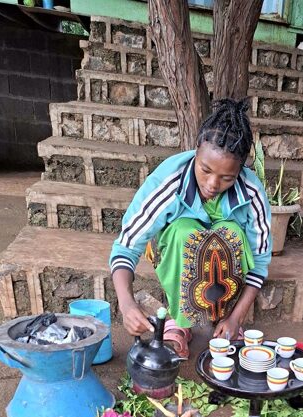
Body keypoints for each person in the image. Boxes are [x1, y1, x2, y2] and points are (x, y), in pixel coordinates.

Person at [109, 98, 272, 357]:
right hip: (176, 243)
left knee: (232, 235)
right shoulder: (168, 180)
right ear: (195, 150)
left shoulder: (251, 192)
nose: (212, 184)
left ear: (240, 171)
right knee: (184, 232)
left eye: (226, 178)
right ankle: (178, 321)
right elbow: (126, 246)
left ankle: (225, 320)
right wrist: (126, 304)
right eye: (205, 170)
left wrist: (237, 318)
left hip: (226, 256)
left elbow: (260, 261)